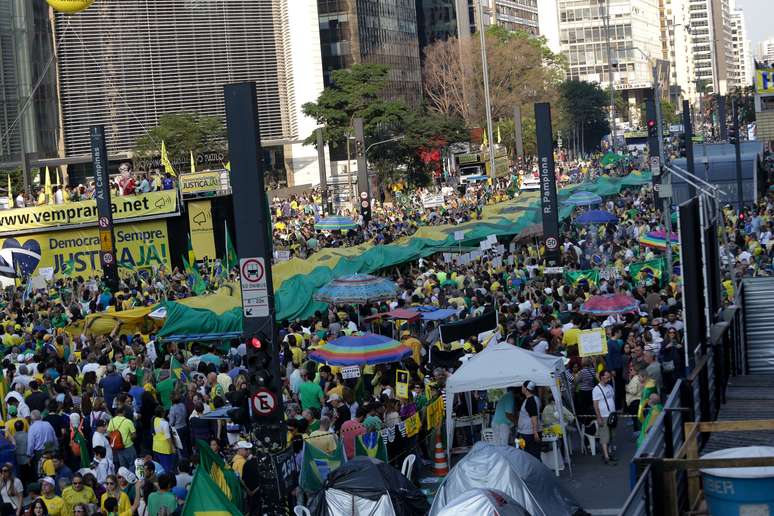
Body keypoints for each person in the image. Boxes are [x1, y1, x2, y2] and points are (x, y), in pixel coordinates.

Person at [593, 369, 617, 465]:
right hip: (604, 415)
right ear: (602, 377)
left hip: (612, 415)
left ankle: (609, 453)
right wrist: (599, 417)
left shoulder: (610, 387)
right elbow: (595, 404)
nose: (609, 379)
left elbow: (612, 398)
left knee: (611, 435)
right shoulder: (596, 389)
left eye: (609, 377)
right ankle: (606, 456)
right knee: (604, 436)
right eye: (607, 377)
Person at [517, 381, 541, 459]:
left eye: (522, 386)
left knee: (530, 455)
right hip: (525, 432)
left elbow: (534, 417)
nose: (521, 388)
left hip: (528, 434)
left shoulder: (531, 401)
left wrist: (535, 432)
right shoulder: (534, 398)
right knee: (529, 454)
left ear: (525, 389)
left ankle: (535, 470)